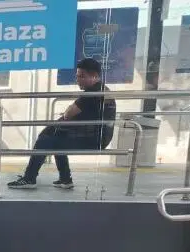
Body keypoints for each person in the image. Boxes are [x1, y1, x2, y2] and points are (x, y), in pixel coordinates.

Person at [8, 58, 117, 189]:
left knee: (46, 140)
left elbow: (69, 113)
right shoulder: (102, 89)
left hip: (93, 140)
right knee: (55, 136)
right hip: (97, 137)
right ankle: (65, 179)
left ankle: (29, 178)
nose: (78, 79)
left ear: (94, 76)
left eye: (82, 76)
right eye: (77, 76)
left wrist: (64, 118)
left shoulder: (93, 93)